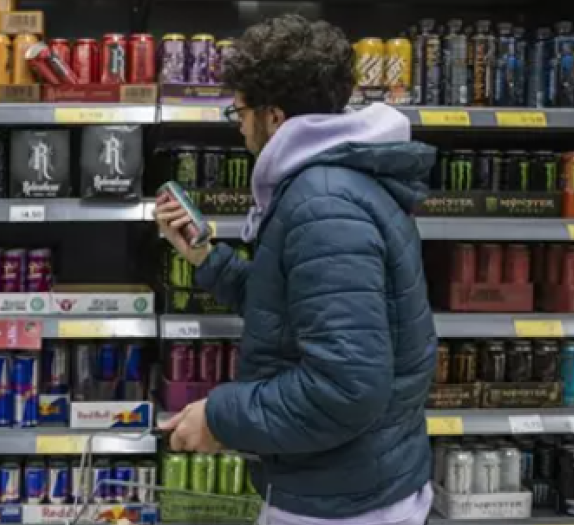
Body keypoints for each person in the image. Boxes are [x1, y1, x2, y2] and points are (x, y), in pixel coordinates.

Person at [154, 14, 438, 525]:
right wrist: (206, 258)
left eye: (238, 111)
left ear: (276, 116)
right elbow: (291, 309)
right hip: (347, 481)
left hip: (345, 503)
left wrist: (220, 418)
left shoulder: (324, 204)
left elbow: (345, 387)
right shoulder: (329, 185)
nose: (238, 125)